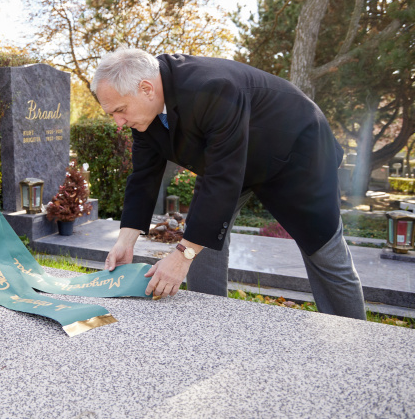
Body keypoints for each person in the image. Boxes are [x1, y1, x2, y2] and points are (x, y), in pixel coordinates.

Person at [94, 48, 366, 320]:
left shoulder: (212, 87)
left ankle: (353, 337)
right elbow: (144, 177)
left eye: (120, 110)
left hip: (298, 154)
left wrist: (181, 255)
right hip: (232, 160)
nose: (119, 122)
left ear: (146, 88)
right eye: (113, 114)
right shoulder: (144, 114)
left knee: (324, 251)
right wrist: (124, 242)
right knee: (202, 234)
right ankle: (210, 321)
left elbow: (222, 179)